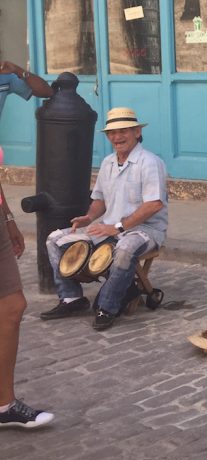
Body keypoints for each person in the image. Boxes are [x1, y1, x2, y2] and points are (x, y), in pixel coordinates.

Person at [40, 107, 168, 332]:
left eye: (123, 131)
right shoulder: (108, 162)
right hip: (109, 226)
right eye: (112, 133)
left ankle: (107, 307)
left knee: (126, 248)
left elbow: (154, 204)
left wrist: (118, 227)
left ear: (137, 132)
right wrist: (89, 217)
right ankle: (71, 298)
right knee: (54, 239)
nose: (117, 137)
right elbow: (100, 199)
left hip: (144, 230)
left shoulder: (150, 162)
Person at [0, 61, 53, 429]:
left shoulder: (4, 79)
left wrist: (7, 218)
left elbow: (46, 90)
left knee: (12, 306)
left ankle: (4, 406)